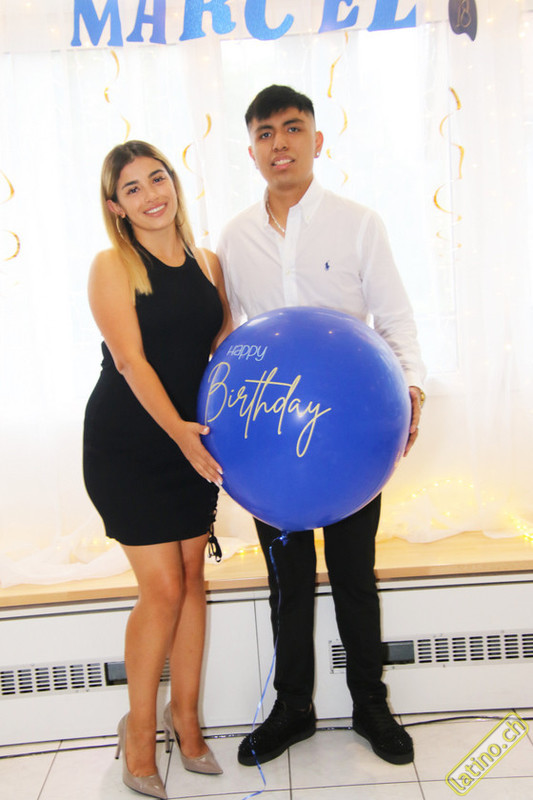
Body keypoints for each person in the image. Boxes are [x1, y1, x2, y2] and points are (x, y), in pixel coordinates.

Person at [217, 85, 426, 768]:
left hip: (348, 441)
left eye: (292, 128)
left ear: (316, 140)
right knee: (287, 583)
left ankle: (371, 704)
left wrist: (412, 388)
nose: (279, 143)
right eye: (265, 133)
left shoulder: (358, 223)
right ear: (251, 150)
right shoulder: (234, 237)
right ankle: (293, 708)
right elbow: (232, 336)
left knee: (354, 575)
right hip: (270, 444)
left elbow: (394, 317)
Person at [83, 140, 232, 799]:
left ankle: (186, 722)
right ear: (116, 206)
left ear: (174, 182)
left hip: (191, 440)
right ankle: (138, 734)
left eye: (158, 178)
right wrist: (182, 437)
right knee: (164, 589)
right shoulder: (112, 265)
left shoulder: (208, 262)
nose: (151, 195)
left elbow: (221, 348)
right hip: (130, 444)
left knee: (194, 579)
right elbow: (130, 362)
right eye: (133, 188)